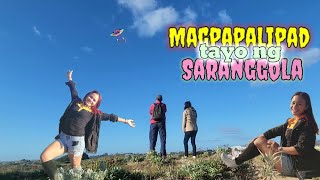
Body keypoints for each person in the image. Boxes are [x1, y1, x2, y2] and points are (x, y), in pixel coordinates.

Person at [40, 70, 135, 179]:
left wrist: (126, 121)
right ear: (87, 95)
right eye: (90, 96)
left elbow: (111, 117)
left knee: (75, 171)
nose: (91, 99)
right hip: (63, 138)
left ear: (96, 104)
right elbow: (73, 89)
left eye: (94, 100)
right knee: (45, 156)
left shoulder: (95, 113)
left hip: (76, 142)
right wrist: (70, 78)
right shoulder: (76, 101)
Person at [220, 92, 320, 178]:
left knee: (260, 142)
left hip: (294, 166)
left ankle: (235, 162)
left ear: (306, 106)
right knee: (260, 139)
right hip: (287, 159)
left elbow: (300, 149)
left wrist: (279, 148)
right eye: (293, 103)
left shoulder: (307, 125)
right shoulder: (291, 122)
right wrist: (258, 137)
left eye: (299, 104)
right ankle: (239, 156)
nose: (294, 106)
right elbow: (272, 132)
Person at [149, 95, 167, 159]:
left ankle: (152, 154)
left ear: (156, 99)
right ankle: (163, 155)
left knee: (152, 139)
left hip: (153, 123)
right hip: (161, 123)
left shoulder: (152, 105)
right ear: (161, 99)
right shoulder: (163, 105)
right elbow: (165, 111)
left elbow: (150, 112)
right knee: (163, 139)